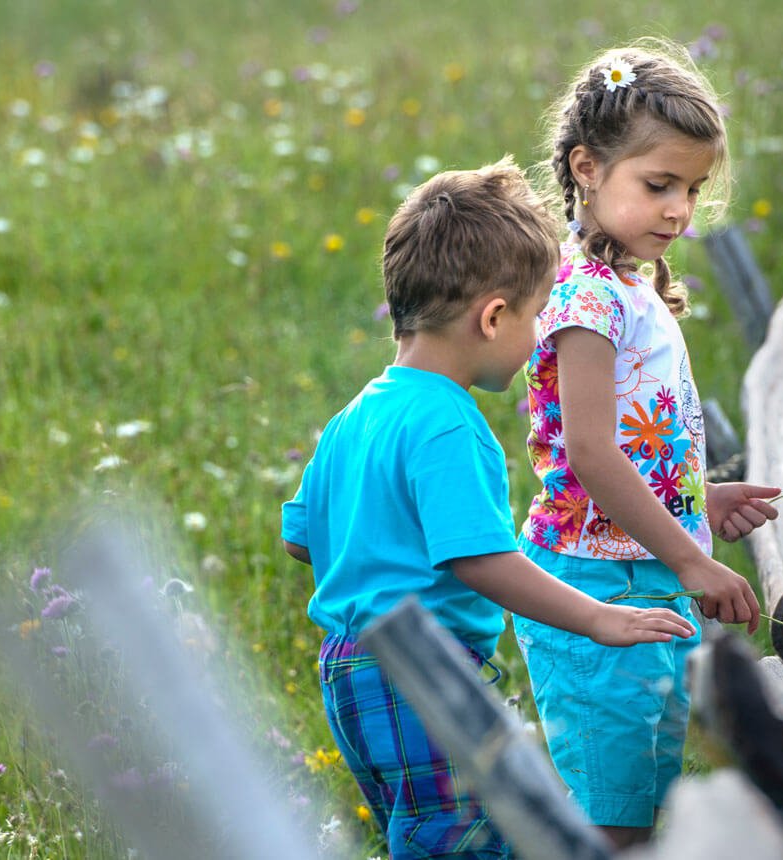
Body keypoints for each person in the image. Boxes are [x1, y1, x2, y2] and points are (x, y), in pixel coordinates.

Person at [280, 158, 696, 859]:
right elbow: (479, 560)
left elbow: (300, 538)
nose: (539, 337)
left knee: (422, 831)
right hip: (423, 671)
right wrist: (597, 616)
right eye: (534, 317)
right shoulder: (448, 423)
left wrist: (374, 554)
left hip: (348, 669)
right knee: (464, 844)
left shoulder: (358, 413)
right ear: (494, 316)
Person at [515, 43, 781, 847]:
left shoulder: (629, 281)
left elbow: (633, 444)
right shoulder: (583, 295)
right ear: (587, 168)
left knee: (642, 785)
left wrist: (701, 498)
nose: (679, 210)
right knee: (612, 812)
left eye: (692, 190)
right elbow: (592, 455)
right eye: (658, 185)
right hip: (599, 581)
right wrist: (696, 559)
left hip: (641, 565)